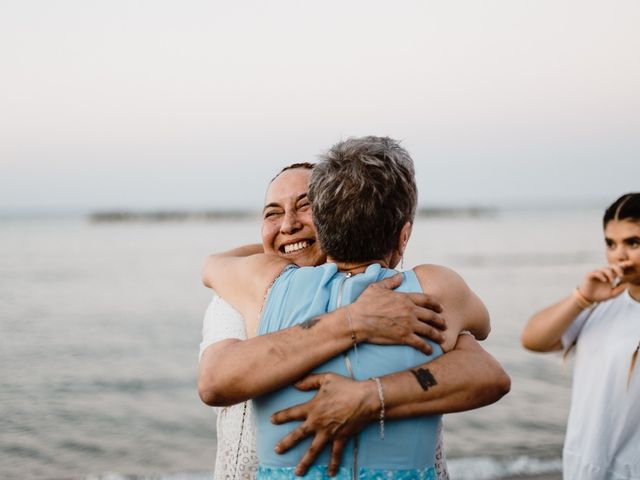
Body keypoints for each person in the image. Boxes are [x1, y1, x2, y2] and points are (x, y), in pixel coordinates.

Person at [202, 136, 510, 479]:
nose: (288, 225)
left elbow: (213, 265)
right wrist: (355, 320)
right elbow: (482, 326)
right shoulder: (430, 290)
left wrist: (369, 396)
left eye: (304, 207)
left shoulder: (259, 284)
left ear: (326, 219)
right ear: (402, 235)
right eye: (273, 214)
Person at [521, 193, 640, 480]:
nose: (619, 255)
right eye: (610, 243)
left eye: (633, 242)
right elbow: (533, 339)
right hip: (583, 465)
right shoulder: (600, 304)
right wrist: (582, 298)